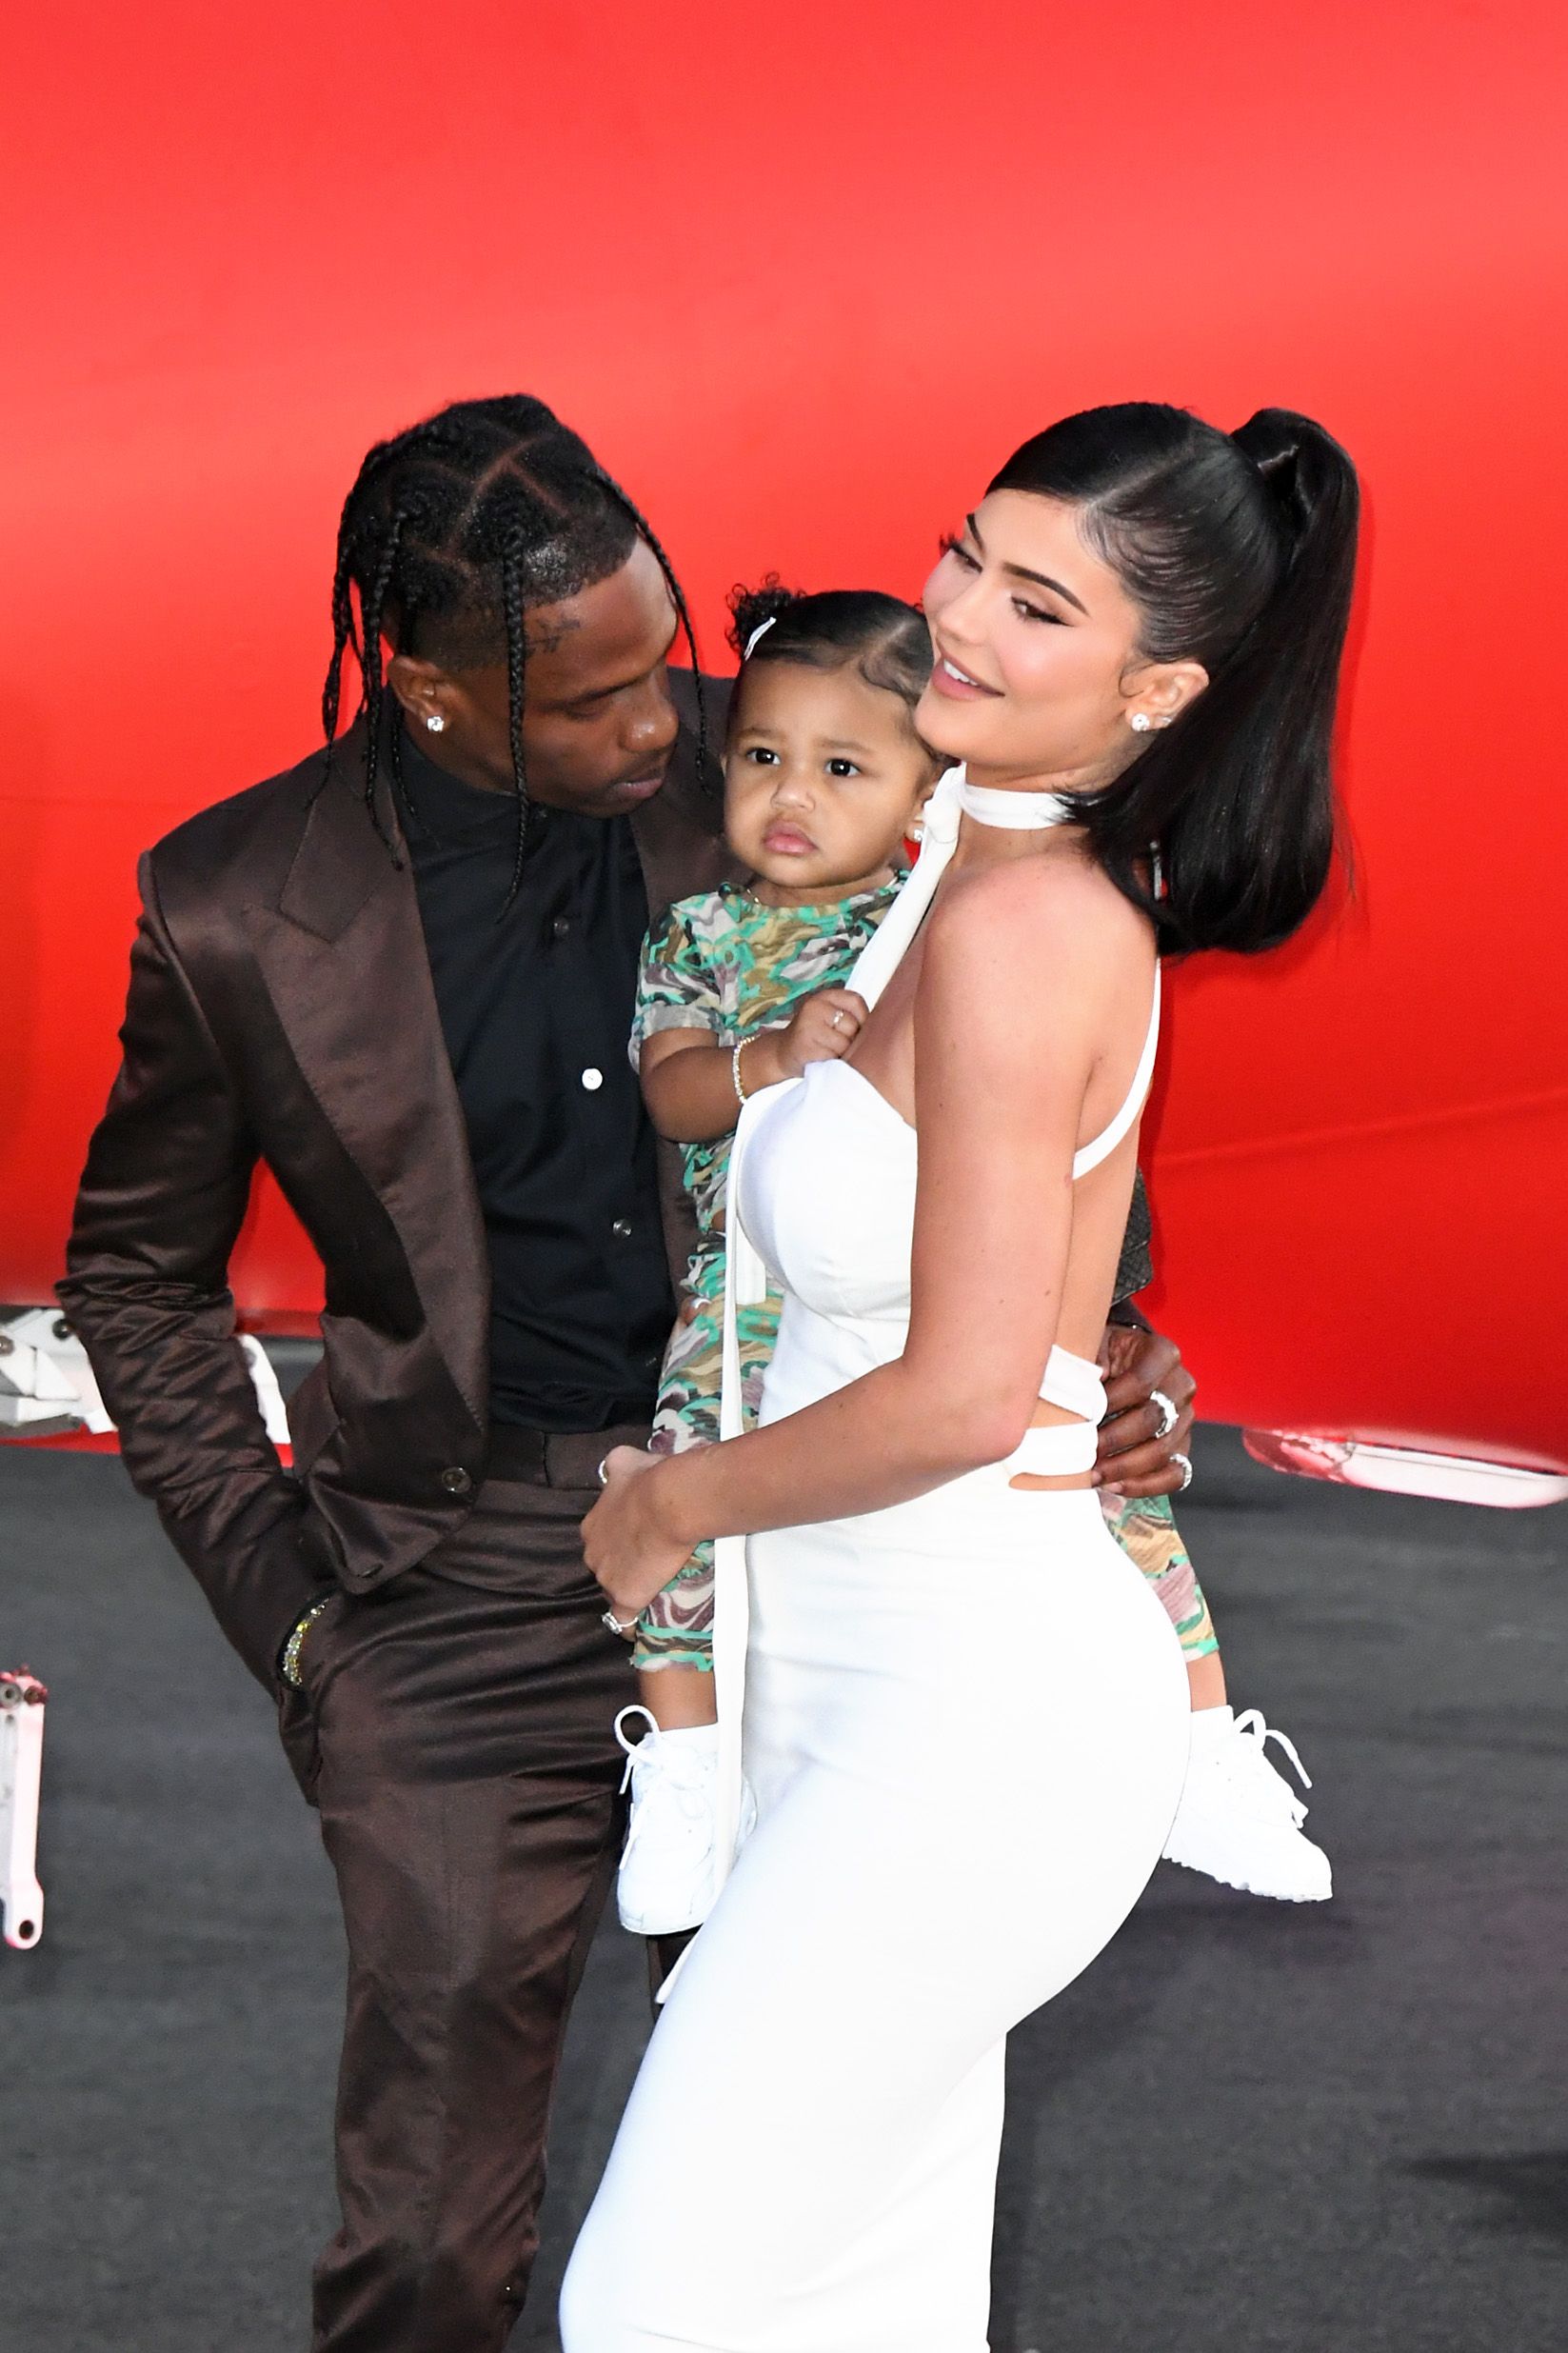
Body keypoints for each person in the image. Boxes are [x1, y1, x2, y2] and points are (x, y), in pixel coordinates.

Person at [57, 391, 1197, 2352]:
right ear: (423, 687)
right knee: (424, 2241)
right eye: (589, 702)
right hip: (457, 1582)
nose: (662, 729)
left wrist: (1100, 1352)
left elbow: (1006, 1119)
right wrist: (295, 1619)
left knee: (811, 2208)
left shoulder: (812, 769)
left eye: (660, 655)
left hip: (808, 1549)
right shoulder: (237, 904)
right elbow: (136, 1276)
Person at [563, 400, 1359, 2350]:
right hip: (836, 1685)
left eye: (1034, 604)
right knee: (852, 2311)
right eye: (961, 556)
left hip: (963, 1717)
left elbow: (966, 1392)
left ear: (1157, 688)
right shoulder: (943, 865)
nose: (956, 622)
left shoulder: (1025, 928)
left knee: (655, 2309)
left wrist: (663, 1504)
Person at [618, 581, 1327, 1938]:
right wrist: (770, 1059)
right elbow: (672, 1094)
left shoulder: (956, 910)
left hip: (943, 1307)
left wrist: (1115, 1322)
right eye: (762, 758)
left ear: (923, 787)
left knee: (1109, 1487)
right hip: (745, 1293)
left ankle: (1198, 1736)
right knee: (686, 1489)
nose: (792, 797)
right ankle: (687, 1765)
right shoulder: (699, 936)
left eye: (843, 768)